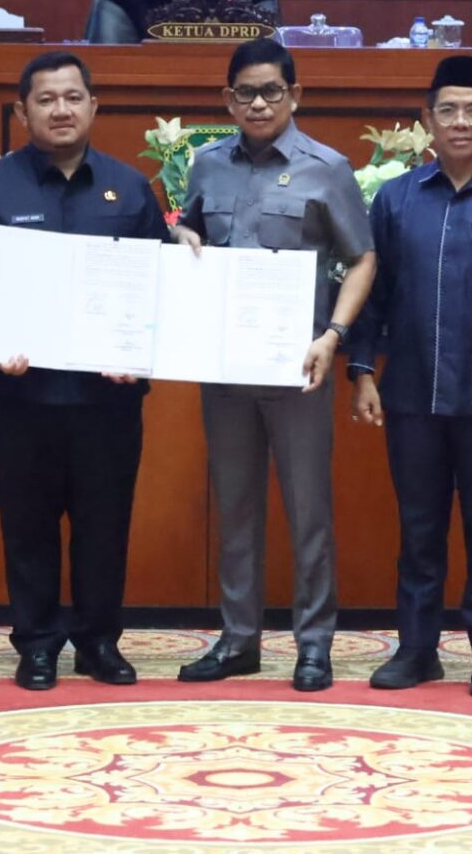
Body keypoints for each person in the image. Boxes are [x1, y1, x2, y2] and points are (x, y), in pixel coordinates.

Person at [0, 51, 169, 691]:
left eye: (72, 97)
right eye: (45, 99)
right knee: (26, 521)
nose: (60, 110)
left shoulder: (129, 187)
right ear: (22, 112)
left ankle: (99, 642)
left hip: (106, 395)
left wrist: (135, 349)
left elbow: (158, 280)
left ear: (93, 105)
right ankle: (37, 643)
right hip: (14, 391)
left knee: (105, 521)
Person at [171, 38, 376, 692]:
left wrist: (334, 335)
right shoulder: (207, 165)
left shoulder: (327, 168)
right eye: (246, 93)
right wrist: (181, 235)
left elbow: (363, 258)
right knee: (235, 509)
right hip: (225, 369)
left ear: (295, 95)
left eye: (271, 91)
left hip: (299, 368)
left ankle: (313, 645)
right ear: (227, 99)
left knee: (308, 511)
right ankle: (239, 641)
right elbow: (189, 233)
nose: (258, 104)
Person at [347, 55, 472, 698]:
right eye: (448, 110)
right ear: (427, 120)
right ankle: (417, 648)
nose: (460, 122)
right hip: (411, 393)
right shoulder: (397, 197)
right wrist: (362, 370)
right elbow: (375, 291)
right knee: (419, 530)